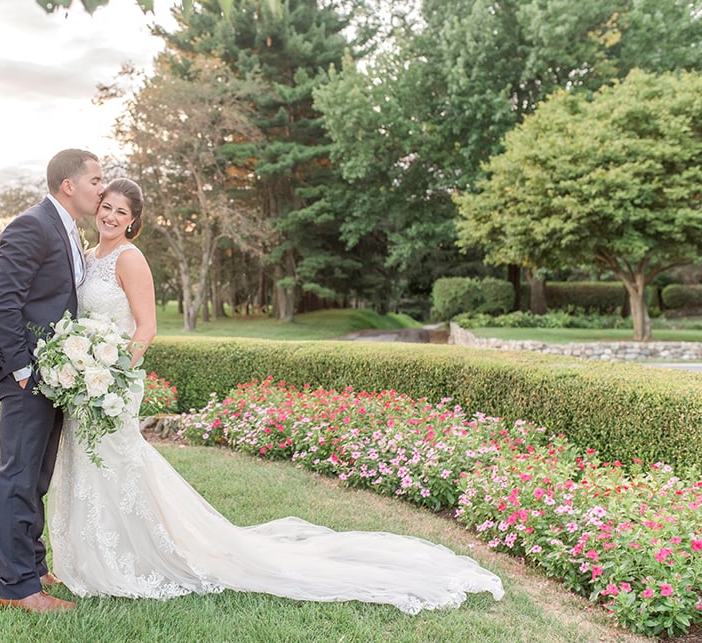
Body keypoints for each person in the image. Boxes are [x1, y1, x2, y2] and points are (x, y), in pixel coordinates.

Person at [45, 178, 505, 612]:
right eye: (105, 206)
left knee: (120, 464)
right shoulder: (86, 254)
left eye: (119, 212)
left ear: (132, 221)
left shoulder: (130, 258)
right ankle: (89, 558)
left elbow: (146, 327)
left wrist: (117, 369)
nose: (109, 215)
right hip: (86, 382)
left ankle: (136, 557)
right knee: (85, 464)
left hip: (113, 384)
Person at [0, 148, 104, 614]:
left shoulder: (68, 229)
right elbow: (3, 302)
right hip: (27, 377)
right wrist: (21, 371)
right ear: (68, 184)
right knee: (18, 477)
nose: (102, 187)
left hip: (54, 375)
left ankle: (34, 568)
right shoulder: (30, 225)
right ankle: (18, 590)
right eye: (96, 179)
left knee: (37, 477)